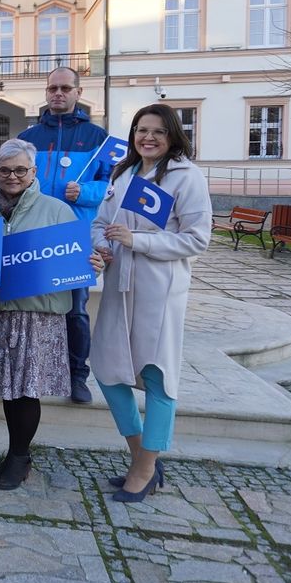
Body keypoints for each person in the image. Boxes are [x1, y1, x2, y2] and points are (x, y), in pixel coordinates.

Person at [91, 104, 211, 503]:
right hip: (118, 285)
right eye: (142, 130)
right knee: (107, 371)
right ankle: (141, 454)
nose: (148, 138)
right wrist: (103, 246)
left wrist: (138, 241)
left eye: (158, 131)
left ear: (173, 135)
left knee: (157, 376)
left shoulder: (186, 177)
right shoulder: (123, 172)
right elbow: (100, 223)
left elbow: (197, 239)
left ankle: (144, 468)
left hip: (159, 290)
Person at [0, 138, 105, 490]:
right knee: (7, 388)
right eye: (5, 170)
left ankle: (20, 456)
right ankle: (14, 452)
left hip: (38, 316)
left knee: (27, 390)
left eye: (20, 169)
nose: (12, 176)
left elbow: (74, 263)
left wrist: (91, 262)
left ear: (33, 172)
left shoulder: (56, 209)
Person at [18, 66, 111, 404]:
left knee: (76, 310)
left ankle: (77, 375)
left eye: (65, 88)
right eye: (53, 88)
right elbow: (16, 179)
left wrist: (84, 191)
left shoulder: (96, 137)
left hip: (75, 235)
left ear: (78, 92)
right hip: (36, 234)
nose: (58, 93)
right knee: (34, 307)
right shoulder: (30, 137)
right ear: (46, 92)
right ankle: (37, 369)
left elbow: (112, 187)